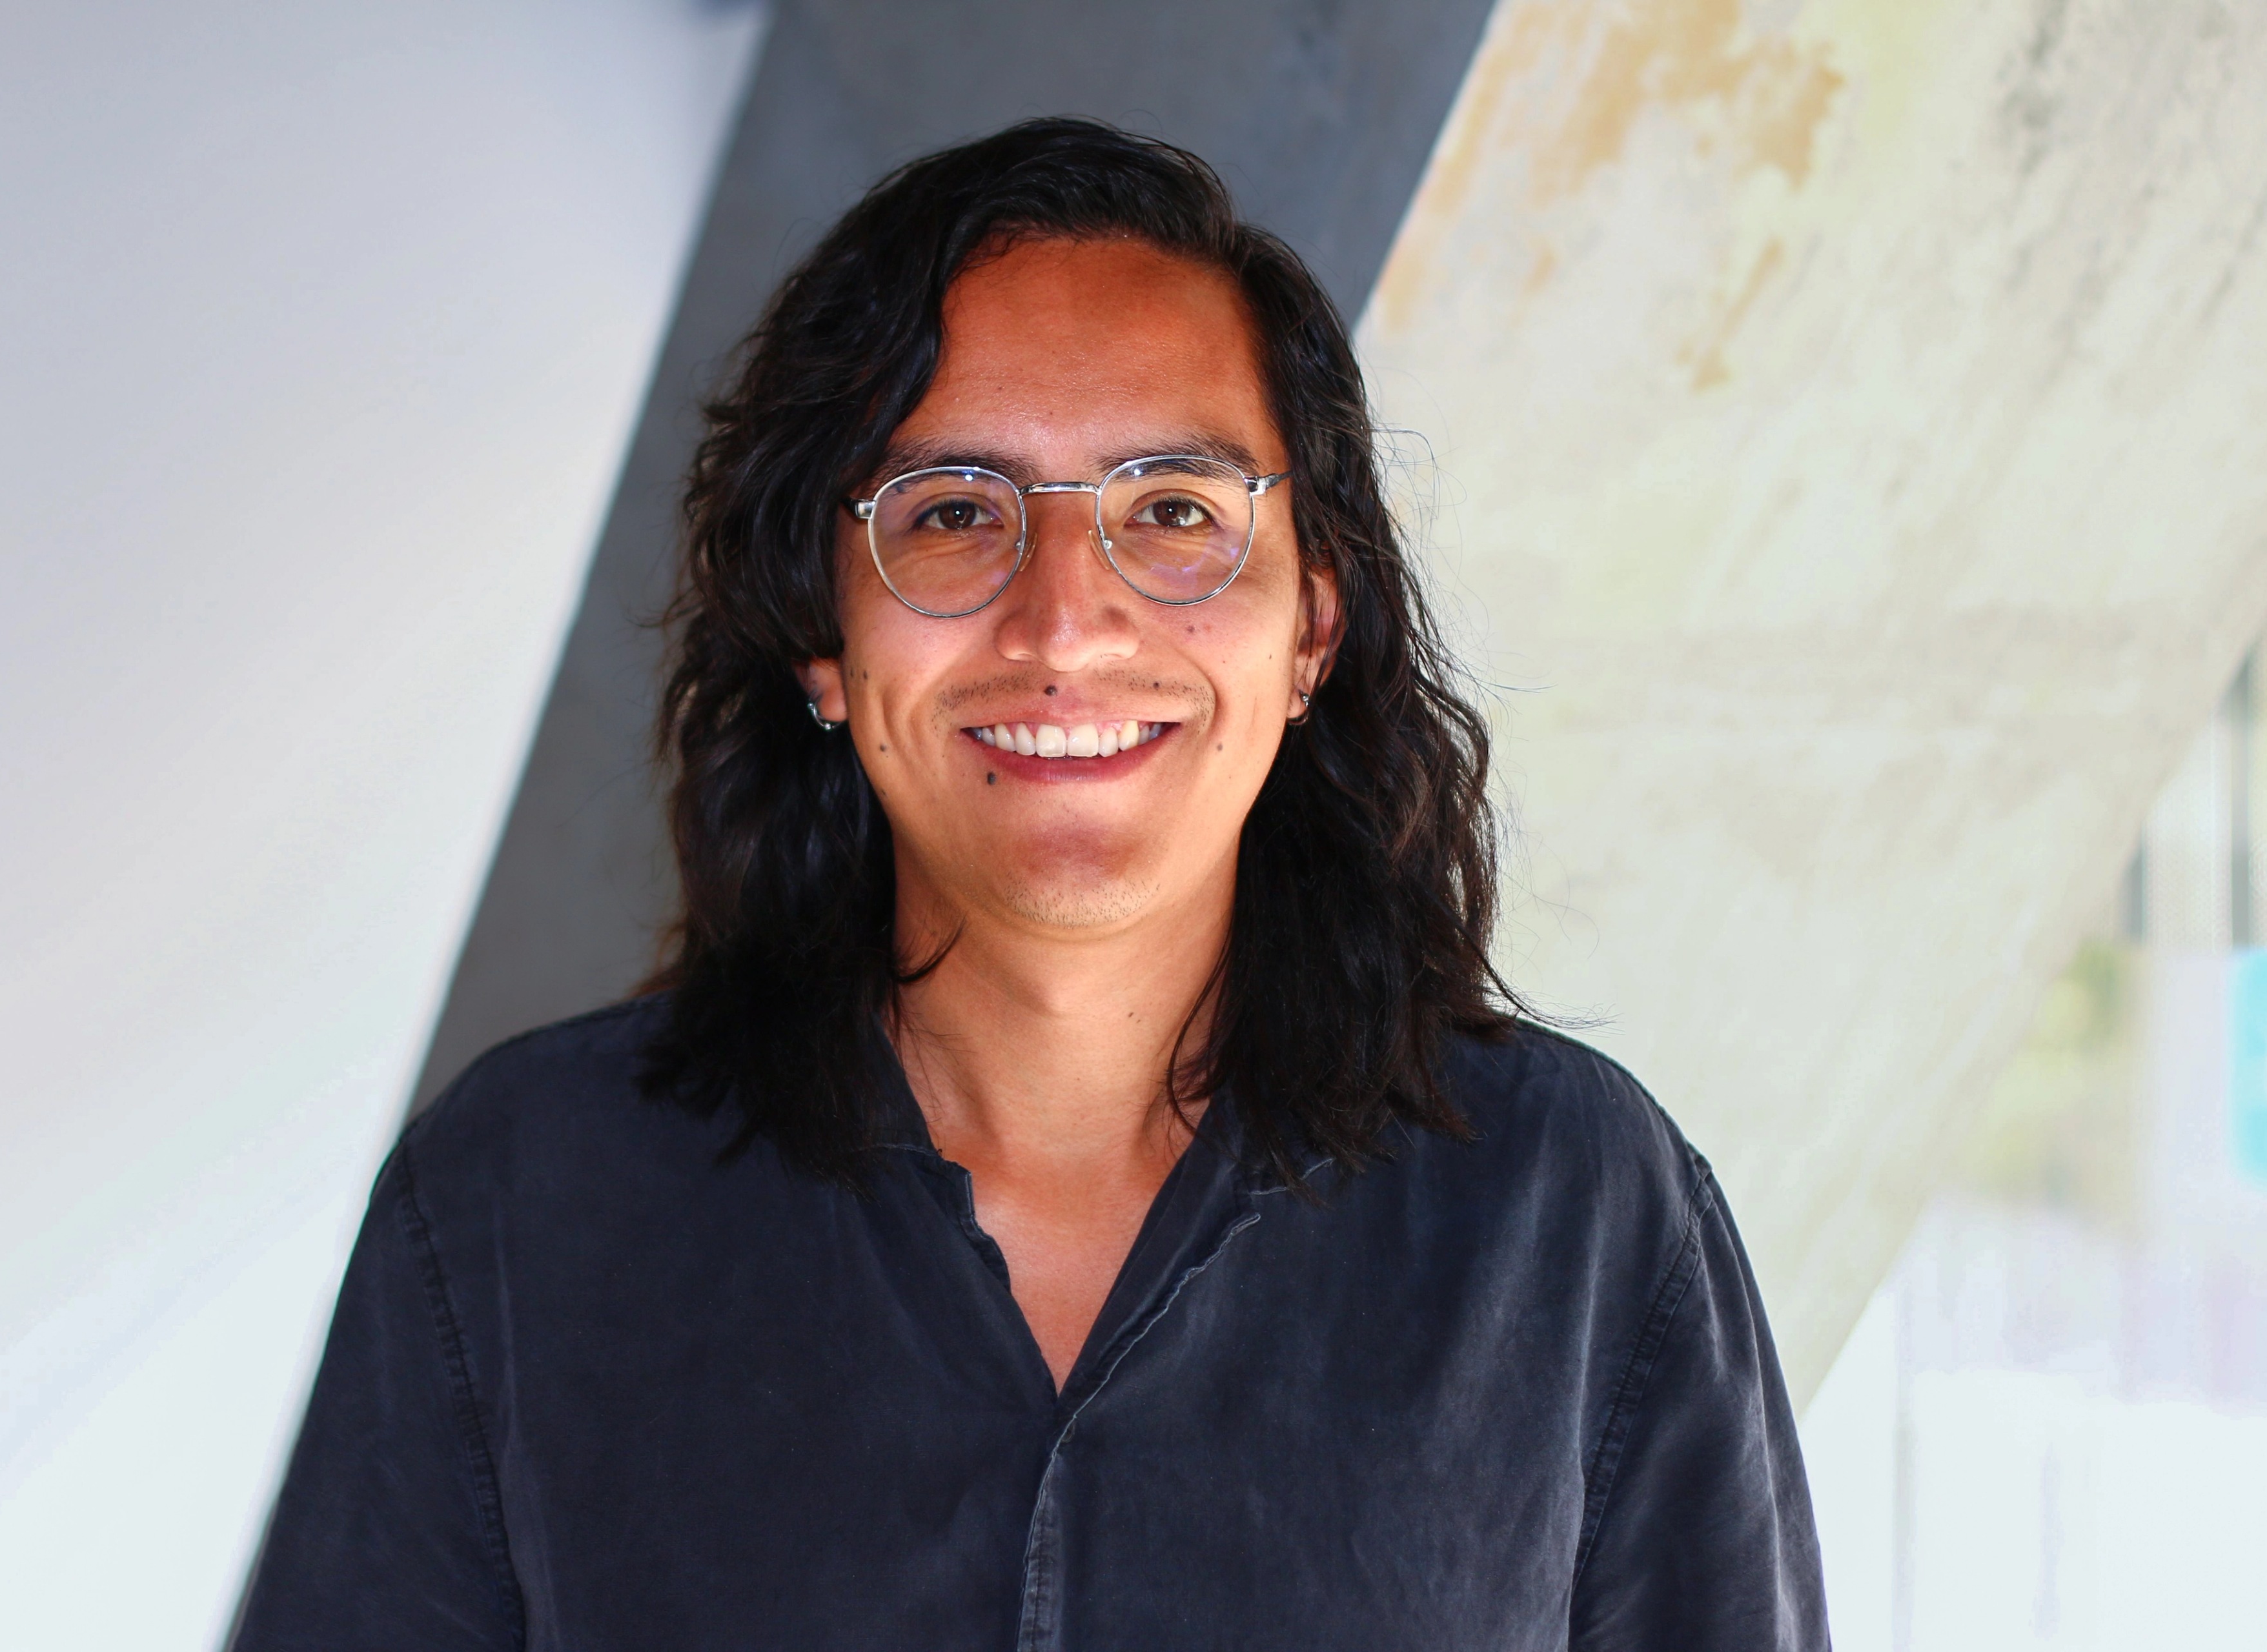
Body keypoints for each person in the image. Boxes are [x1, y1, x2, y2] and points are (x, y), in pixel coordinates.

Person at [235, 119, 1827, 1650]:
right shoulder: (521, 1205)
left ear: (1312, 633)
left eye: (1176, 513)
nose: (1066, 623)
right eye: (951, 515)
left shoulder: (1581, 1216)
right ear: (825, 643)